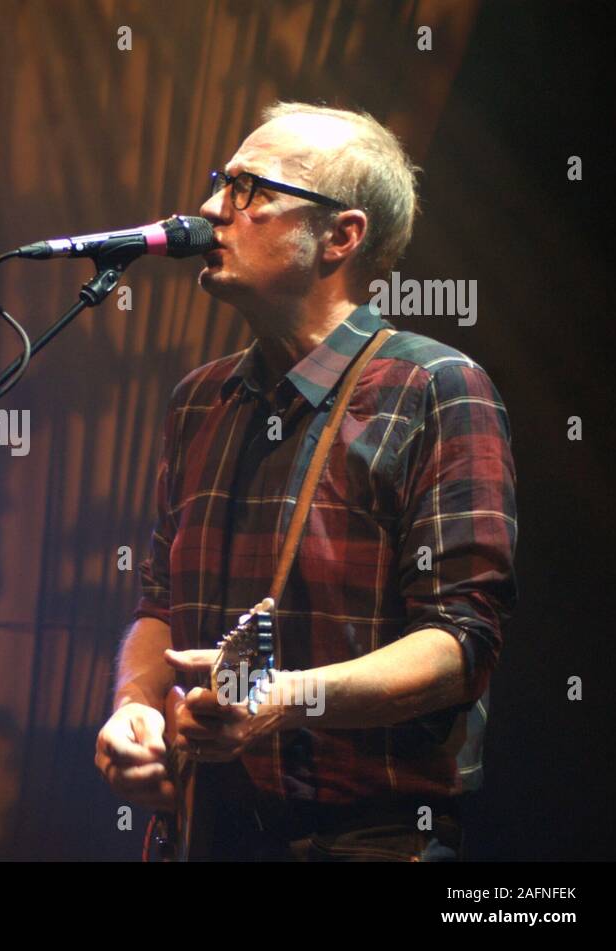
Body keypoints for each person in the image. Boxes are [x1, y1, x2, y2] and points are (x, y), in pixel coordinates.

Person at [94, 102, 517, 861]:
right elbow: (158, 602)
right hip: (201, 835)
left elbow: (461, 642)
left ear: (341, 236)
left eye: (251, 190)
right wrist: (133, 707)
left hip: (366, 841)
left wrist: (286, 700)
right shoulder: (198, 399)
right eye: (222, 182)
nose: (212, 208)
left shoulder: (437, 387)